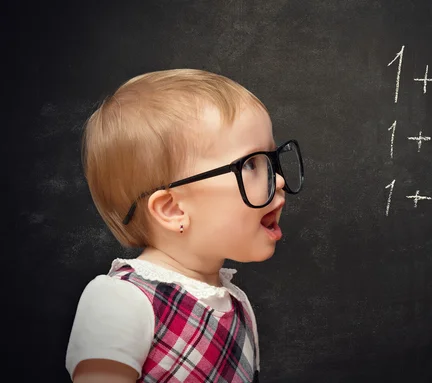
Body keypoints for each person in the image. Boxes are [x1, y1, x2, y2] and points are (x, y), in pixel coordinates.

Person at [65, 69, 304, 383]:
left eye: (271, 160)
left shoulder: (234, 304)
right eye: (250, 164)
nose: (281, 179)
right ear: (173, 209)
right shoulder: (121, 300)